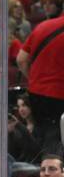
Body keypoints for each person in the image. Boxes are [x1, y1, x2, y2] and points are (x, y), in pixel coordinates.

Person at [16, 14, 64, 155]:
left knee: (46, 135)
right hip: (60, 93)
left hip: (37, 93)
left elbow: (21, 59)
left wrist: (34, 80)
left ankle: (45, 170)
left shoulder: (42, 26)